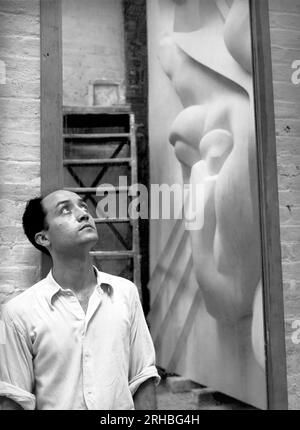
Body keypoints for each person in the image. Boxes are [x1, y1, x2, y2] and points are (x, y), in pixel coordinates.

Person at [0, 189, 160, 410]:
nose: (84, 214)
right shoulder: (18, 313)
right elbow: (14, 398)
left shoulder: (125, 292)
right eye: (65, 210)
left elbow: (143, 377)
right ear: (43, 237)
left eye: (83, 207)